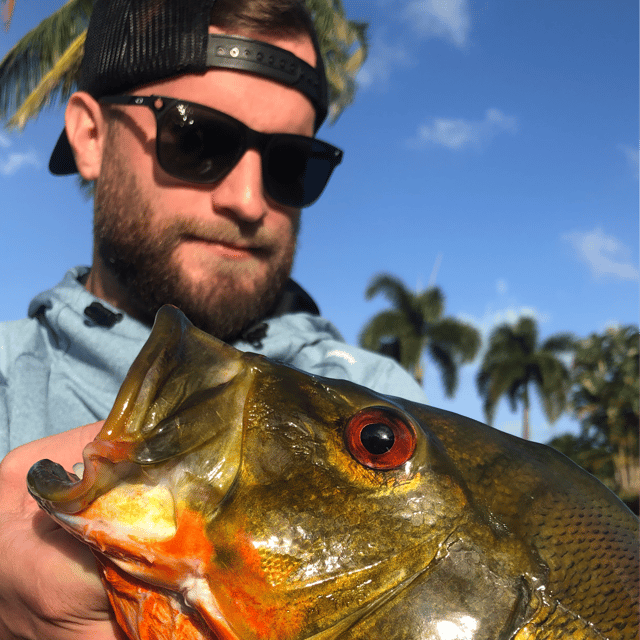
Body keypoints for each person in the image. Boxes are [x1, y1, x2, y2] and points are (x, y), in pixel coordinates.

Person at [0, 0, 426, 638]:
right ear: (90, 136)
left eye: (290, 164)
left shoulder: (391, 411)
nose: (249, 201)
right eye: (196, 138)